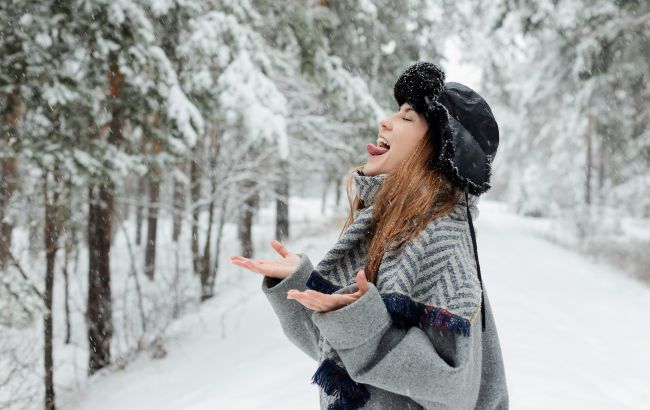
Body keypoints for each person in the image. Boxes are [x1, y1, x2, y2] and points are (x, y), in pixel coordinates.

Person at [230, 61, 509, 409]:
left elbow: (452, 387)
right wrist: (297, 285)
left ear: (438, 152)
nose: (385, 121)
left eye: (407, 118)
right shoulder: (386, 226)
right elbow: (340, 355)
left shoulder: (440, 237)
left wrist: (362, 323)